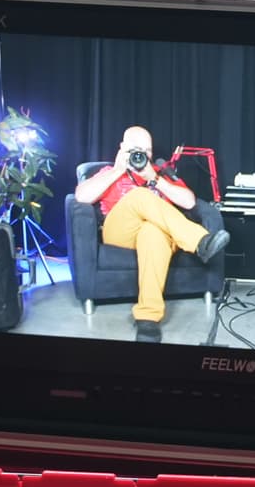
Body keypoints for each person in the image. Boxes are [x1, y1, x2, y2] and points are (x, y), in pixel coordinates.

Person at [74, 125, 230, 343]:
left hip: (162, 234)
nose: (142, 155)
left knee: (153, 233)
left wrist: (155, 180)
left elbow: (189, 201)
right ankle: (199, 241)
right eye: (136, 149)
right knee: (140, 196)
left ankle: (148, 320)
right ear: (122, 149)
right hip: (120, 232)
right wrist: (118, 170)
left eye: (147, 150)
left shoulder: (159, 173)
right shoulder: (107, 173)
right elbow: (81, 197)